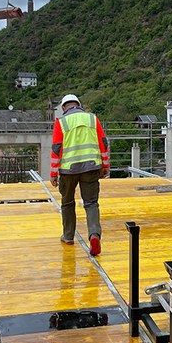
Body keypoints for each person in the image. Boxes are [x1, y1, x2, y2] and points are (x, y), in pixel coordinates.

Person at [50, 94, 110, 256]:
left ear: (63, 108)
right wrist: (105, 166)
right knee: (91, 203)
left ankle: (68, 236)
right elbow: (103, 143)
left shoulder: (61, 122)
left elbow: (57, 149)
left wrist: (53, 174)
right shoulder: (92, 119)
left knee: (67, 203)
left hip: (68, 170)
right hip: (91, 168)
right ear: (79, 104)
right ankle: (94, 236)